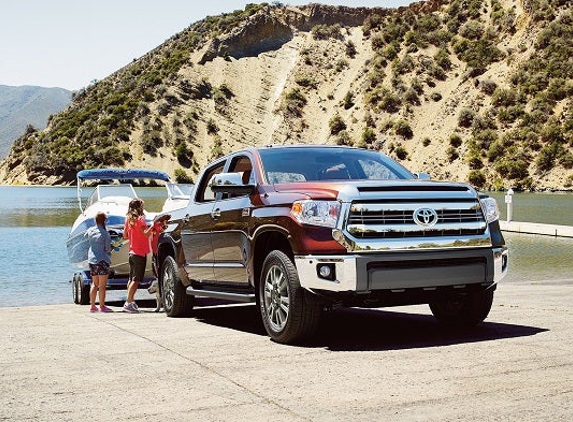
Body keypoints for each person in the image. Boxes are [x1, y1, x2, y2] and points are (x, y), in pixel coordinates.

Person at [123, 198, 153, 313]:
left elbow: (125, 235)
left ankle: (131, 301)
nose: (143, 207)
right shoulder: (140, 220)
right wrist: (153, 226)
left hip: (132, 253)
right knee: (136, 280)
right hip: (139, 253)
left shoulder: (128, 220)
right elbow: (146, 234)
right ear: (139, 207)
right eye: (142, 205)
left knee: (131, 279)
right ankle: (128, 303)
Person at [86, 212, 113, 313]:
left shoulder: (90, 231)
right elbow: (108, 249)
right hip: (103, 261)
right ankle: (102, 306)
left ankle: (92, 306)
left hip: (92, 260)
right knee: (102, 286)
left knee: (94, 284)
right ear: (104, 220)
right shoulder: (105, 234)